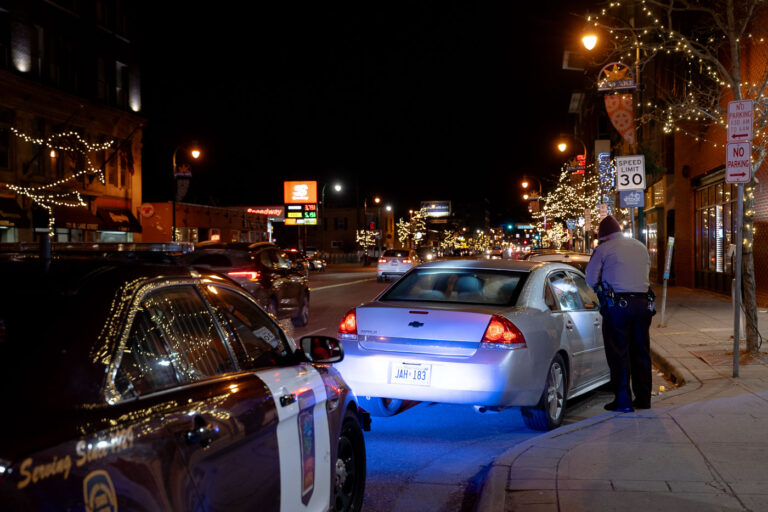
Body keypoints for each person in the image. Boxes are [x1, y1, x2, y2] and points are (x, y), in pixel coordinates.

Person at [585, 215, 654, 413]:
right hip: (643, 304)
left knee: (618, 352)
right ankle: (643, 398)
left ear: (604, 236)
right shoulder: (640, 246)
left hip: (617, 306)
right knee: (641, 351)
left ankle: (623, 400)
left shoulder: (603, 249)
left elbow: (590, 278)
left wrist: (601, 288)